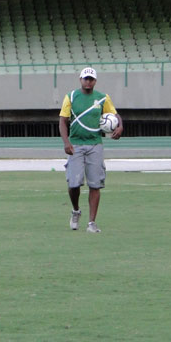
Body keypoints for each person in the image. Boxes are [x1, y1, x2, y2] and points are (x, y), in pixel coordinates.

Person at [59, 67, 123, 233]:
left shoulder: (102, 98)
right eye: (85, 78)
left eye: (91, 79)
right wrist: (66, 142)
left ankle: (92, 223)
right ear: (80, 79)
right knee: (74, 183)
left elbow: (115, 115)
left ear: (95, 81)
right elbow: (63, 121)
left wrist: (120, 126)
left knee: (95, 185)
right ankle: (75, 211)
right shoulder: (71, 96)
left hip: (95, 144)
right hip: (76, 144)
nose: (88, 81)